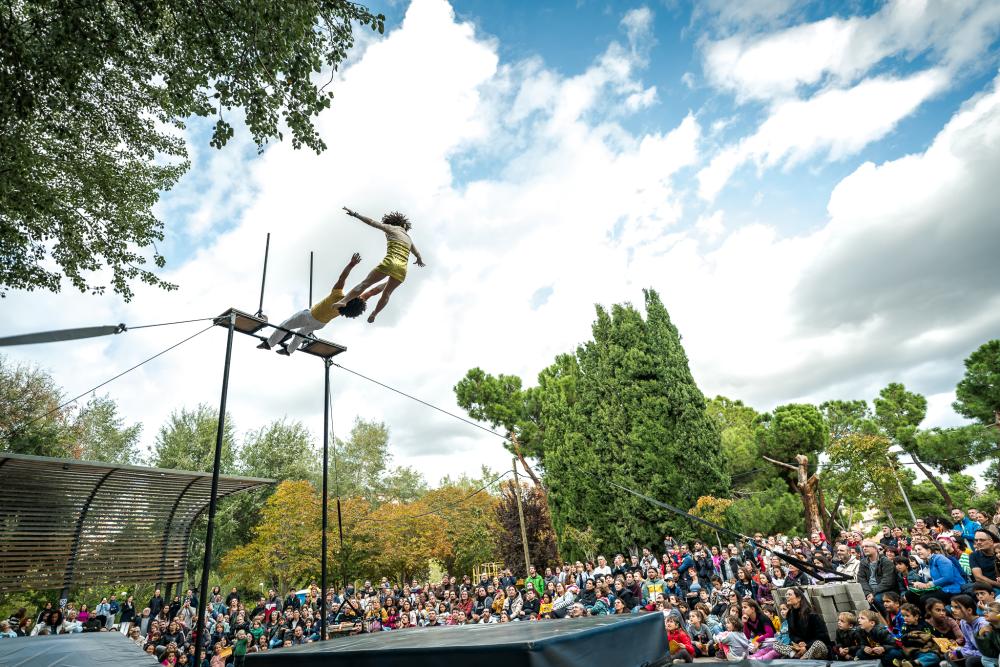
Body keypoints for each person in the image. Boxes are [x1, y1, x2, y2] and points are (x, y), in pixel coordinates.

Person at [258, 253, 378, 354]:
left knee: (286, 325)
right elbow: (371, 293)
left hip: (309, 316)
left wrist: (351, 264)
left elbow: (342, 278)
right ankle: (289, 350)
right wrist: (387, 284)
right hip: (320, 324)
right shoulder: (349, 308)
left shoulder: (337, 296)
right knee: (302, 333)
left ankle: (269, 343)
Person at [334, 208, 426, 323]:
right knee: (387, 294)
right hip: (402, 269)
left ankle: (344, 301)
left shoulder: (391, 228)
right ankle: (375, 313)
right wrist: (419, 260)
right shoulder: (409, 238)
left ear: (391, 222)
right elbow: (417, 253)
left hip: (390, 263)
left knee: (365, 283)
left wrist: (356, 215)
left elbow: (372, 222)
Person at [782, 587, 830, 660]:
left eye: (790, 594)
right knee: (776, 645)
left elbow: (823, 636)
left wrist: (806, 646)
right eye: (786, 594)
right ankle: (796, 655)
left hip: (814, 647)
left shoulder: (811, 614)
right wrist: (799, 641)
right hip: (800, 646)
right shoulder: (789, 614)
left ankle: (802, 660)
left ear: (799, 598)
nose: (787, 596)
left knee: (818, 644)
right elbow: (791, 634)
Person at [859, 540, 898, 614]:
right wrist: (868, 593)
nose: (864, 548)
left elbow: (887, 582)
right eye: (863, 547)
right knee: (858, 600)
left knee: (877, 599)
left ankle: (889, 619)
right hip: (869, 590)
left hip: (884, 590)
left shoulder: (886, 562)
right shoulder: (863, 562)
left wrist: (873, 593)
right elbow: (861, 579)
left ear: (875, 548)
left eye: (867, 546)